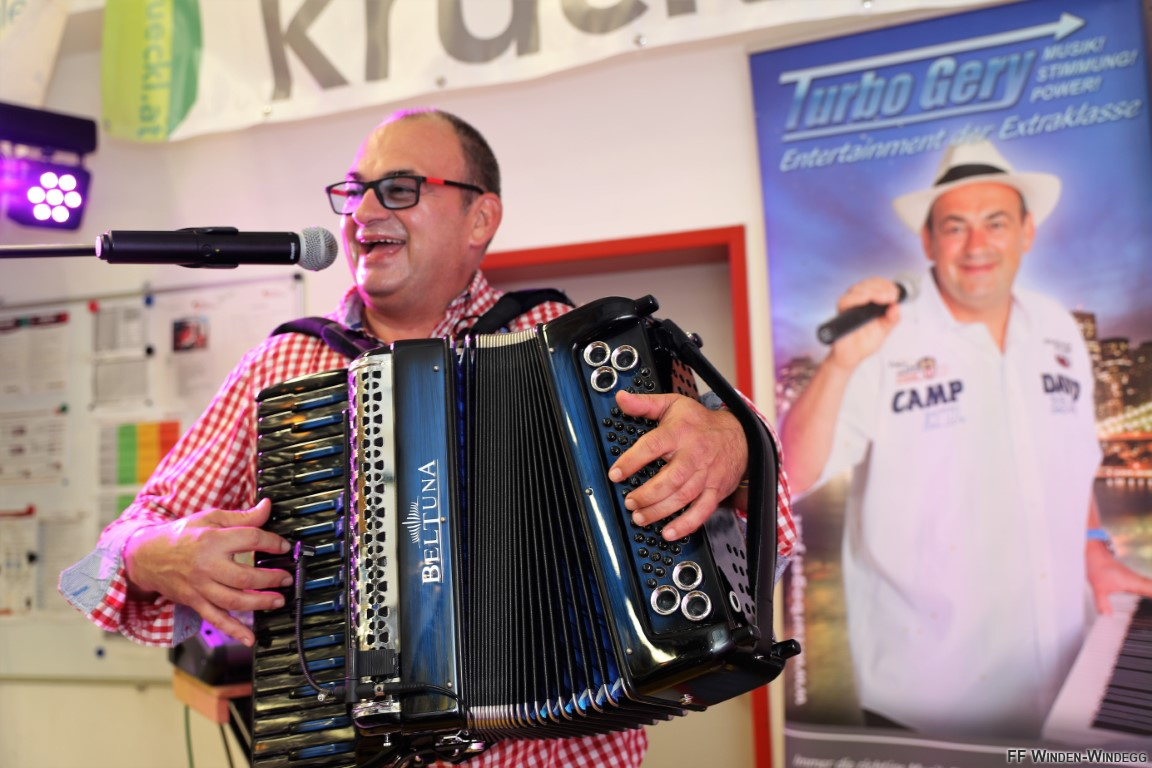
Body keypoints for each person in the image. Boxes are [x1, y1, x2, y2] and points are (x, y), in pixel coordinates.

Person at [60, 107, 798, 766]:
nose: (362, 212)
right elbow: (97, 568)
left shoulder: (572, 347)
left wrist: (734, 447)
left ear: (481, 218)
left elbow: (775, 533)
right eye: (354, 192)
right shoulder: (282, 365)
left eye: (398, 188)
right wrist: (151, 551)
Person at [779, 139, 1152, 740]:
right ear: (928, 242)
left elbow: (1070, 463)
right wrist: (840, 364)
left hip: (1068, 681)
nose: (977, 244)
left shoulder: (1058, 328)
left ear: (1026, 232)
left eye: (996, 222)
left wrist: (1095, 552)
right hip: (929, 702)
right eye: (955, 227)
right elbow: (790, 475)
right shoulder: (883, 337)